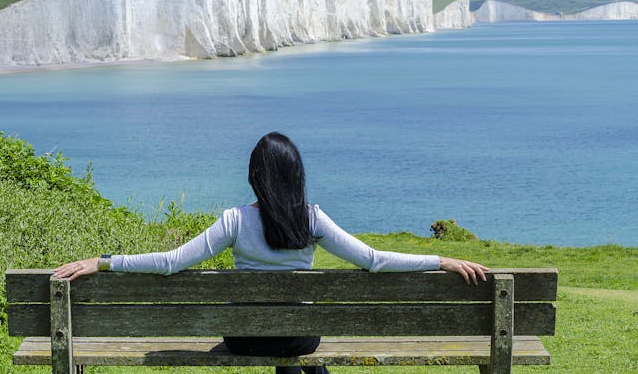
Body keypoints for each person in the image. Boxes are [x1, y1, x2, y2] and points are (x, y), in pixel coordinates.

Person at [55, 131, 488, 374]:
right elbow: (373, 260)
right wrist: (442, 260)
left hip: (243, 338)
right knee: (296, 351)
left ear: (255, 177)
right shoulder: (313, 219)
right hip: (300, 336)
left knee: (273, 341)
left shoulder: (234, 221)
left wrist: (102, 261)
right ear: (296, 174)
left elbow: (171, 263)